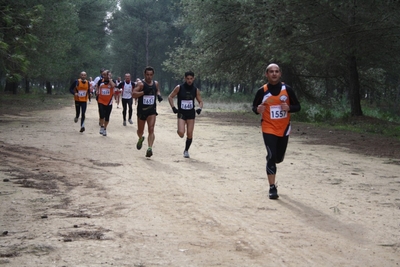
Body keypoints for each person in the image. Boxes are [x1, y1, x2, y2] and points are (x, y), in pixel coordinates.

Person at [252, 63, 301, 199]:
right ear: (266, 74)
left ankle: (273, 158)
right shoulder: (262, 91)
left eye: (276, 71)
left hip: (284, 128)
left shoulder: (287, 90)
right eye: (271, 71)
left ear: (280, 74)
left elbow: (298, 106)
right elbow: (254, 106)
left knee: (278, 158)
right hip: (268, 127)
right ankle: (272, 187)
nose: (274, 73)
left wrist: (289, 108)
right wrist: (257, 110)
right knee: (272, 156)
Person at [168, 70, 204, 158]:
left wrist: (199, 108)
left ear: (193, 79)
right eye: (187, 78)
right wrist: (173, 107)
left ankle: (186, 150)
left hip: (191, 114)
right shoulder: (179, 87)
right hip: (181, 113)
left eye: (191, 79)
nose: (189, 80)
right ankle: (179, 131)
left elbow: (200, 101)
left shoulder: (195, 90)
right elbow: (170, 97)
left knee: (190, 134)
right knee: (181, 133)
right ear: (185, 78)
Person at [132, 66, 163, 158]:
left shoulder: (155, 83)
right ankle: (141, 138)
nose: (149, 77)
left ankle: (149, 148)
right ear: (144, 74)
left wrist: (159, 95)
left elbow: (157, 90)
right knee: (140, 131)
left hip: (151, 110)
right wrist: (143, 92)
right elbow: (133, 94)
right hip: (142, 110)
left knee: (151, 128)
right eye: (147, 75)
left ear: (153, 75)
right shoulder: (141, 84)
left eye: (151, 75)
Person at [97, 70, 116, 136]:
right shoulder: (100, 81)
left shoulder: (112, 81)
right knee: (102, 115)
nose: (105, 76)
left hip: (109, 102)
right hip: (101, 100)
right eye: (104, 74)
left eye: (107, 75)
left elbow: (113, 86)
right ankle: (102, 127)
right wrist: (97, 91)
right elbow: (97, 86)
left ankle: (105, 128)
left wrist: (110, 79)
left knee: (107, 117)